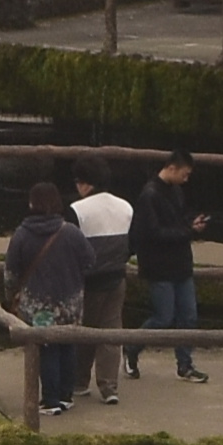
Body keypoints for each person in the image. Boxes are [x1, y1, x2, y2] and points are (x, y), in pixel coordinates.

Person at [7, 179, 90, 421]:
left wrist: (10, 296)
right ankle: (66, 395)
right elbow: (89, 260)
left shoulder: (22, 234)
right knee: (68, 345)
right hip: (70, 302)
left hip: (38, 305)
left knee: (47, 349)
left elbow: (11, 272)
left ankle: (51, 399)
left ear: (32, 203)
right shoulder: (71, 232)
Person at [127, 158, 206, 386]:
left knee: (188, 316)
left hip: (181, 263)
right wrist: (186, 231)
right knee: (163, 317)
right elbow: (152, 233)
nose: (186, 179)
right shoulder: (149, 196)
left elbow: (179, 219)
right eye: (184, 173)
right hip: (159, 265)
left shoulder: (176, 191)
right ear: (172, 167)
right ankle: (131, 347)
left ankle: (185, 364)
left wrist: (192, 223)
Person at [69, 172, 135, 400]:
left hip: (89, 280)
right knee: (111, 332)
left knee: (85, 331)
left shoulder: (77, 209)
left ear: (85, 183)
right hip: (117, 277)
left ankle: (79, 381)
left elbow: (72, 247)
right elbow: (132, 243)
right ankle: (109, 387)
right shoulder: (126, 207)